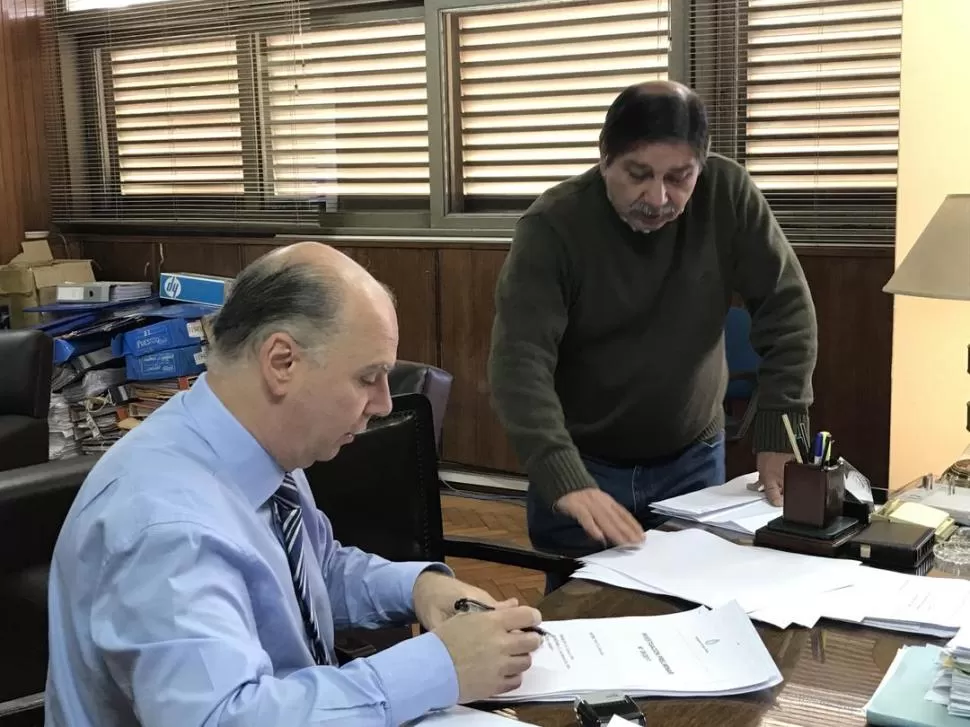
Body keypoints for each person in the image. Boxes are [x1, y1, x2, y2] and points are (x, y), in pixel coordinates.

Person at [45, 242, 544, 726]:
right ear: (281, 361)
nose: (384, 403)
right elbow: (226, 719)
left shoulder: (249, 447)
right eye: (367, 377)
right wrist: (439, 668)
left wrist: (419, 587)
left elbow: (310, 571)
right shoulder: (165, 527)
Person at [488, 81, 818, 583]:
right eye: (638, 175)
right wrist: (562, 475)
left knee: (695, 604)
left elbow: (787, 307)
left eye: (679, 178)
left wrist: (782, 424)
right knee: (581, 617)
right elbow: (520, 363)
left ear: (700, 169)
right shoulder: (553, 226)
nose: (658, 197)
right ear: (605, 160)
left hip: (691, 459)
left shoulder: (727, 195)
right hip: (586, 463)